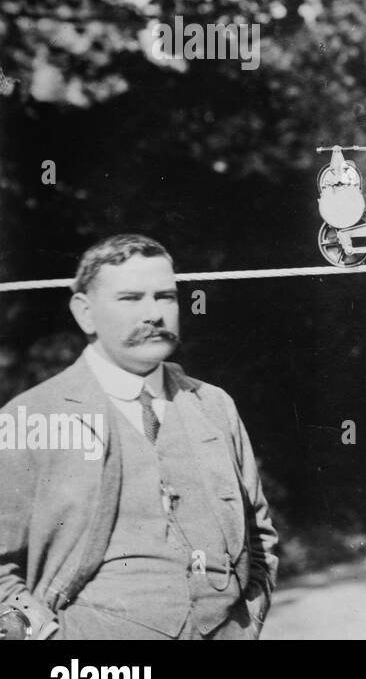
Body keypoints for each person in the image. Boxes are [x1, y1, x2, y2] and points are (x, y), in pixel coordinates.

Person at [0, 234, 278, 640]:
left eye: (165, 297)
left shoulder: (214, 406)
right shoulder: (31, 417)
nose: (154, 314)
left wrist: (247, 623)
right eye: (130, 298)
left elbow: (260, 538)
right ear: (85, 313)